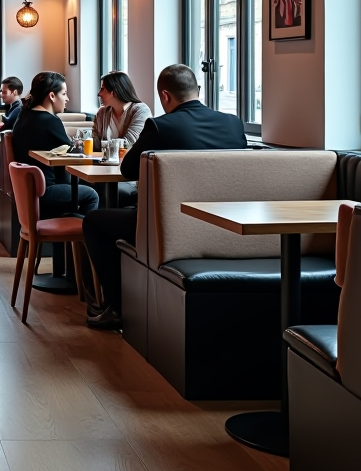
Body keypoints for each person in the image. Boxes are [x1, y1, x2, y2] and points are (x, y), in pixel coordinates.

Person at [82, 63, 248, 330]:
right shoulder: (233, 124)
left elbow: (127, 170)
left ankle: (117, 306)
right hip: (228, 225)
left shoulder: (159, 126)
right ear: (198, 89)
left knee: (94, 221)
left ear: (164, 96)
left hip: (171, 227)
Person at [12, 71, 100, 218]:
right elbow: (76, 152)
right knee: (92, 194)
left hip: (27, 190)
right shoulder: (50, 121)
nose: (67, 99)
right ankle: (79, 231)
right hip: (45, 191)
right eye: (64, 94)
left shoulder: (24, 116)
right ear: (52, 96)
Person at [92, 71, 152, 146]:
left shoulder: (141, 110)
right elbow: (95, 144)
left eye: (102, 89)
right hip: (104, 154)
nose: (99, 94)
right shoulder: (102, 112)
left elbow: (130, 143)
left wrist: (103, 144)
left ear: (114, 92)